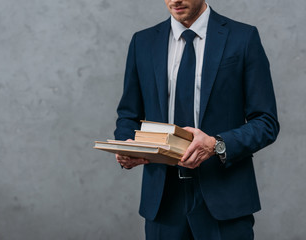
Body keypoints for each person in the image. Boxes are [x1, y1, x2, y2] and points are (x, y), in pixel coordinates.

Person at [114, 0, 280, 239]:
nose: (175, 0)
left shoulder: (243, 38)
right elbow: (128, 115)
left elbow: (266, 121)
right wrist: (126, 145)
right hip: (162, 201)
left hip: (225, 197)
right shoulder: (143, 42)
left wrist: (216, 145)